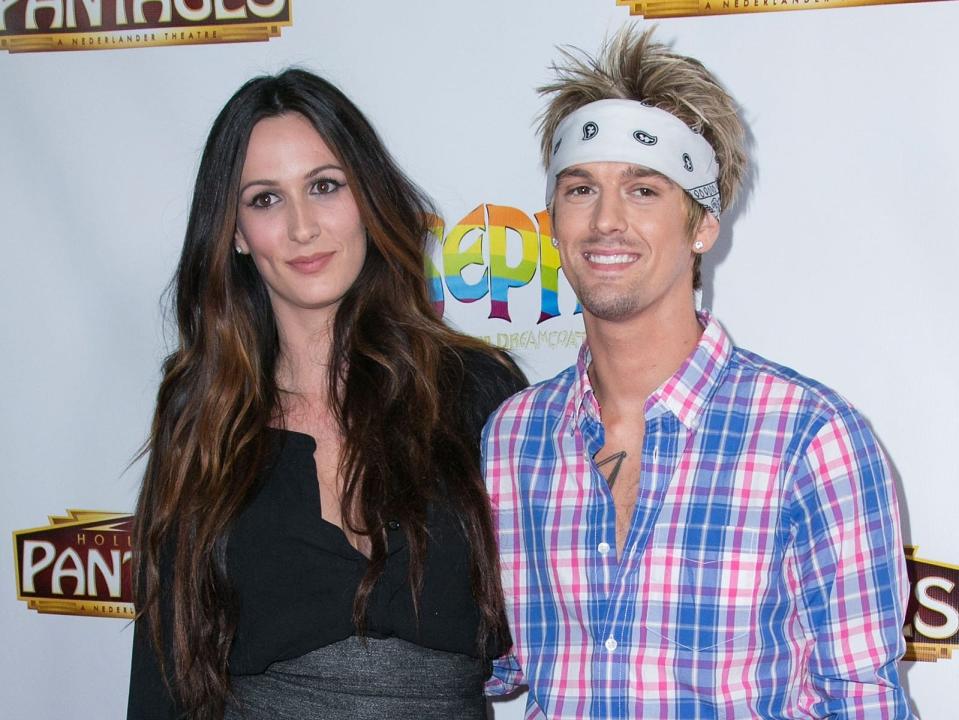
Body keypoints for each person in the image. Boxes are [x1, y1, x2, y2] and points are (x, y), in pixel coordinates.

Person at [483, 28, 912, 719]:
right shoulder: (511, 438)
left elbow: (862, 701)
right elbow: (486, 665)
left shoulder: (810, 438)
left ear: (702, 226)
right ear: (552, 221)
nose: (605, 220)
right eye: (580, 188)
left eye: (644, 190)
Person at [127, 68, 526, 720]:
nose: (302, 226)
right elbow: (165, 670)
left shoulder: (476, 391)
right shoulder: (200, 408)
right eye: (264, 199)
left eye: (324, 186)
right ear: (233, 232)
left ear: (366, 198)